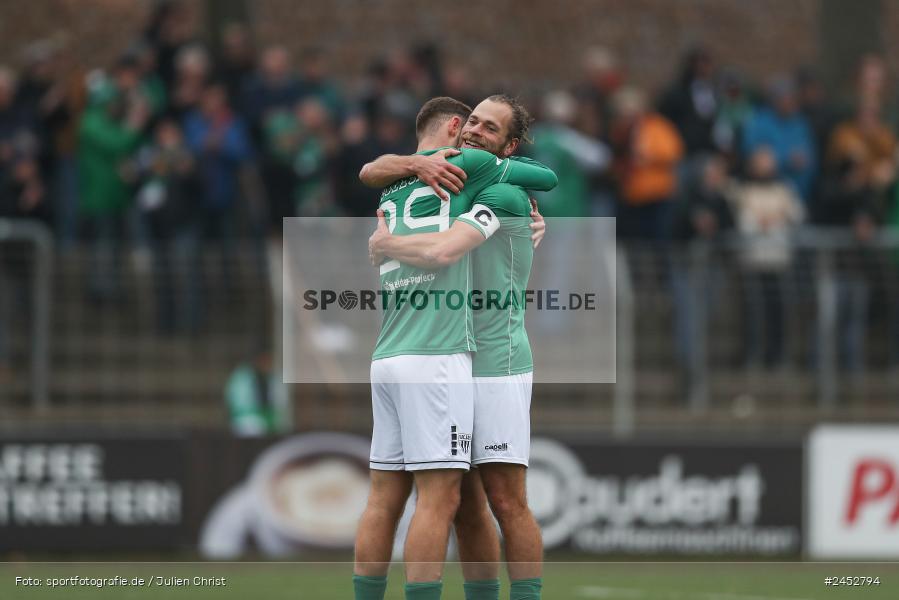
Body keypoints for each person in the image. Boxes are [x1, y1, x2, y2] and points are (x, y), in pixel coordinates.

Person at [352, 96, 556, 600]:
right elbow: (372, 168)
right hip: (445, 354)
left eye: (488, 128)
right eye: (472, 122)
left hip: (496, 360)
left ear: (507, 147)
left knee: (507, 502)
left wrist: (384, 244)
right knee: (459, 504)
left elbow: (544, 177)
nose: (474, 132)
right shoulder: (443, 177)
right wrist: (414, 161)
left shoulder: (497, 182)